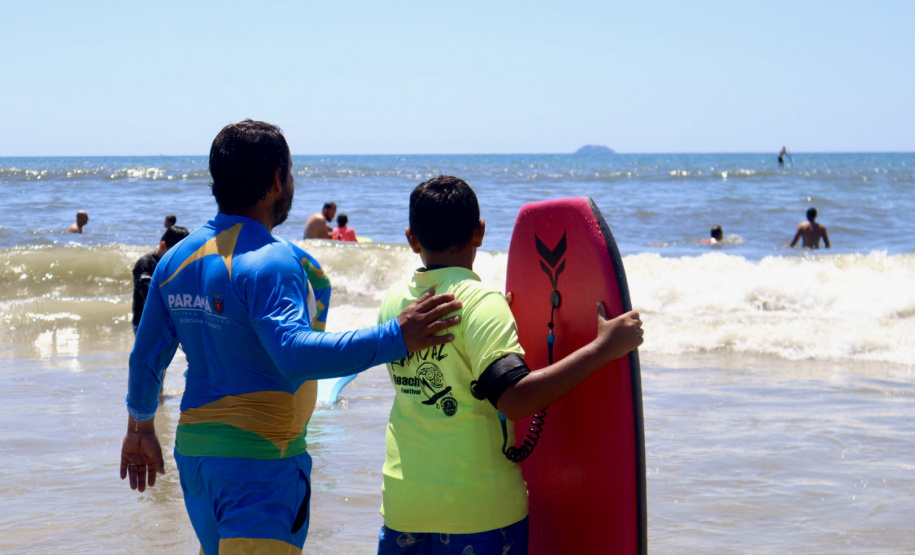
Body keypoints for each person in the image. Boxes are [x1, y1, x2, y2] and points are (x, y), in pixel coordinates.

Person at [120, 120, 463, 555]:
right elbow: (295, 354)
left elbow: (146, 359)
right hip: (260, 463)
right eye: (291, 172)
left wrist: (140, 427)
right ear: (277, 180)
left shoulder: (176, 260)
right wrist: (397, 335)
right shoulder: (271, 259)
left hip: (198, 459)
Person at [375, 175, 644, 555]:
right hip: (477, 511)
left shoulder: (393, 304)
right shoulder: (480, 302)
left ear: (412, 238)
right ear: (479, 231)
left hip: (404, 505)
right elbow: (514, 400)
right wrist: (603, 348)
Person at [132, 225, 190, 333]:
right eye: (175, 252)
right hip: (145, 325)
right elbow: (148, 294)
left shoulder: (178, 265)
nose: (179, 256)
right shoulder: (145, 264)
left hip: (172, 324)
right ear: (163, 245)